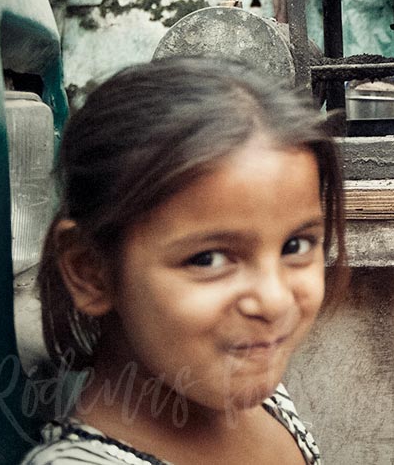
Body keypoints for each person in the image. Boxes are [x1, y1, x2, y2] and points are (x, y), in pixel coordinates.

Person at [23, 56, 346, 464]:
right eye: (209, 259)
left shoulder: (258, 395)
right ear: (91, 271)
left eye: (296, 246)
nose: (275, 301)